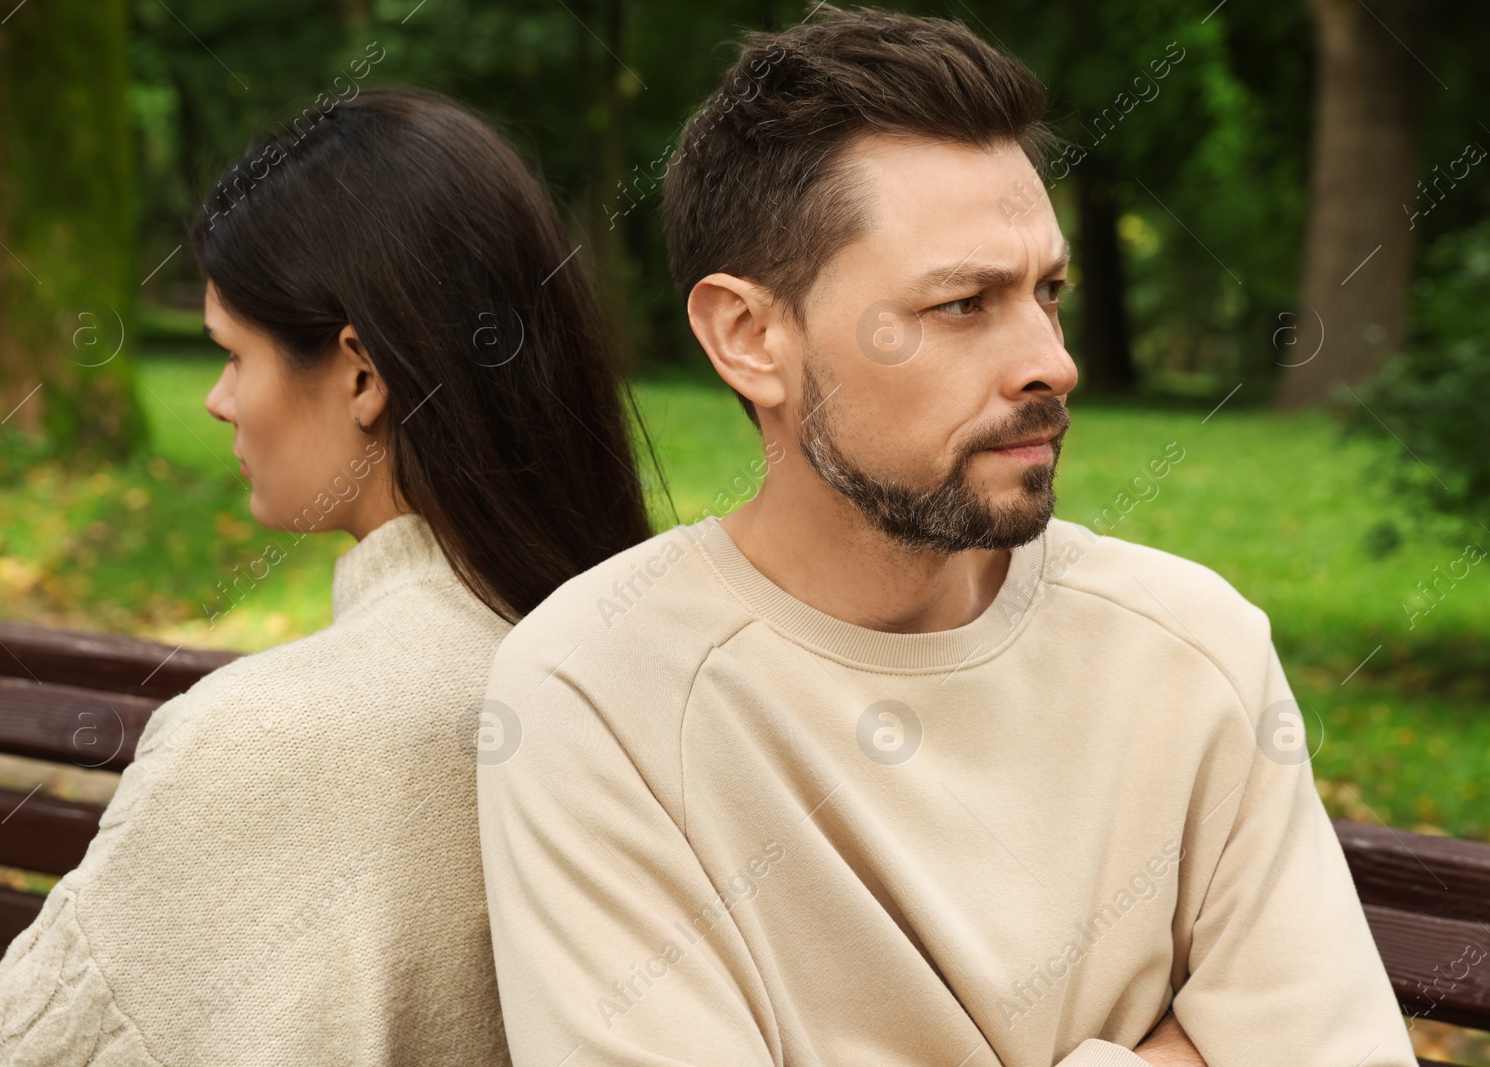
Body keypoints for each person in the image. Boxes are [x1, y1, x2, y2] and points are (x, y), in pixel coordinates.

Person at [475, 9, 1416, 1067]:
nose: (1051, 363)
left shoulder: (1191, 647)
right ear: (749, 337)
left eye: (1047, 292)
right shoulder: (597, 692)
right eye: (964, 303)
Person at [0, 89, 654, 1066]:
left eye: (232, 354)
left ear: (361, 374)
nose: (216, 401)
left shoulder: (269, 733)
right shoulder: (613, 665)